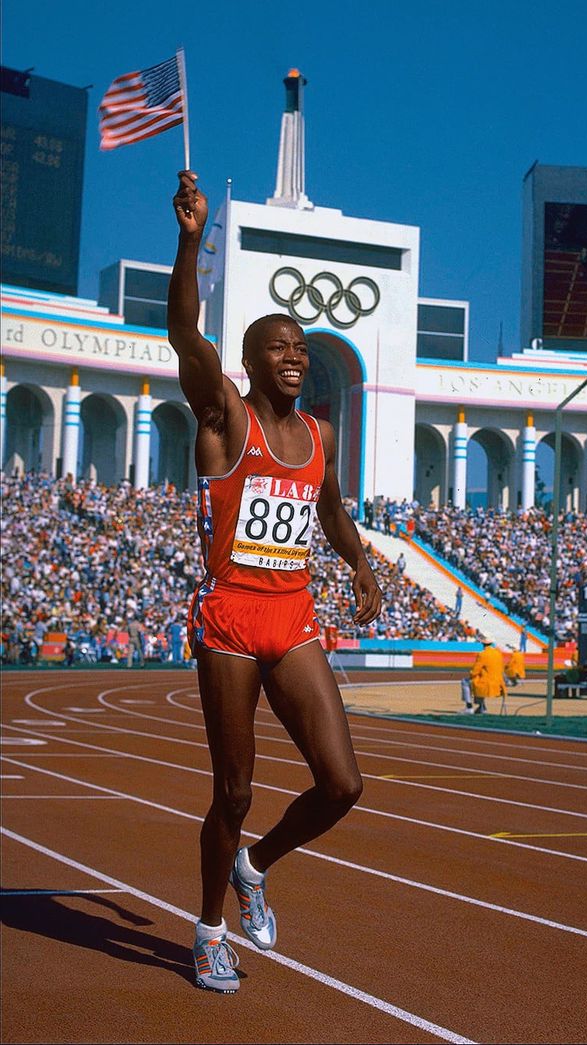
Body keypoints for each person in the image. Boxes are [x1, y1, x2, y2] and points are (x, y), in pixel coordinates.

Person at [168, 171, 383, 994]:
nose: (296, 355)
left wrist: (359, 562)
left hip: (291, 614)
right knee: (234, 788)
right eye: (280, 347)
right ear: (251, 362)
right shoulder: (225, 418)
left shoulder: (322, 434)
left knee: (343, 782)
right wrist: (191, 241)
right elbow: (185, 330)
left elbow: (329, 513)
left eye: (302, 347)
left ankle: (254, 865)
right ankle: (208, 929)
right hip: (228, 617)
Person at [469, 636, 507, 713]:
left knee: (468, 682)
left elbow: (475, 671)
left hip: (487, 683)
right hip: (499, 683)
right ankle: (481, 707)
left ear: (482, 643)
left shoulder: (483, 654)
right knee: (477, 681)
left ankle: (469, 707)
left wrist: (471, 674)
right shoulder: (498, 653)